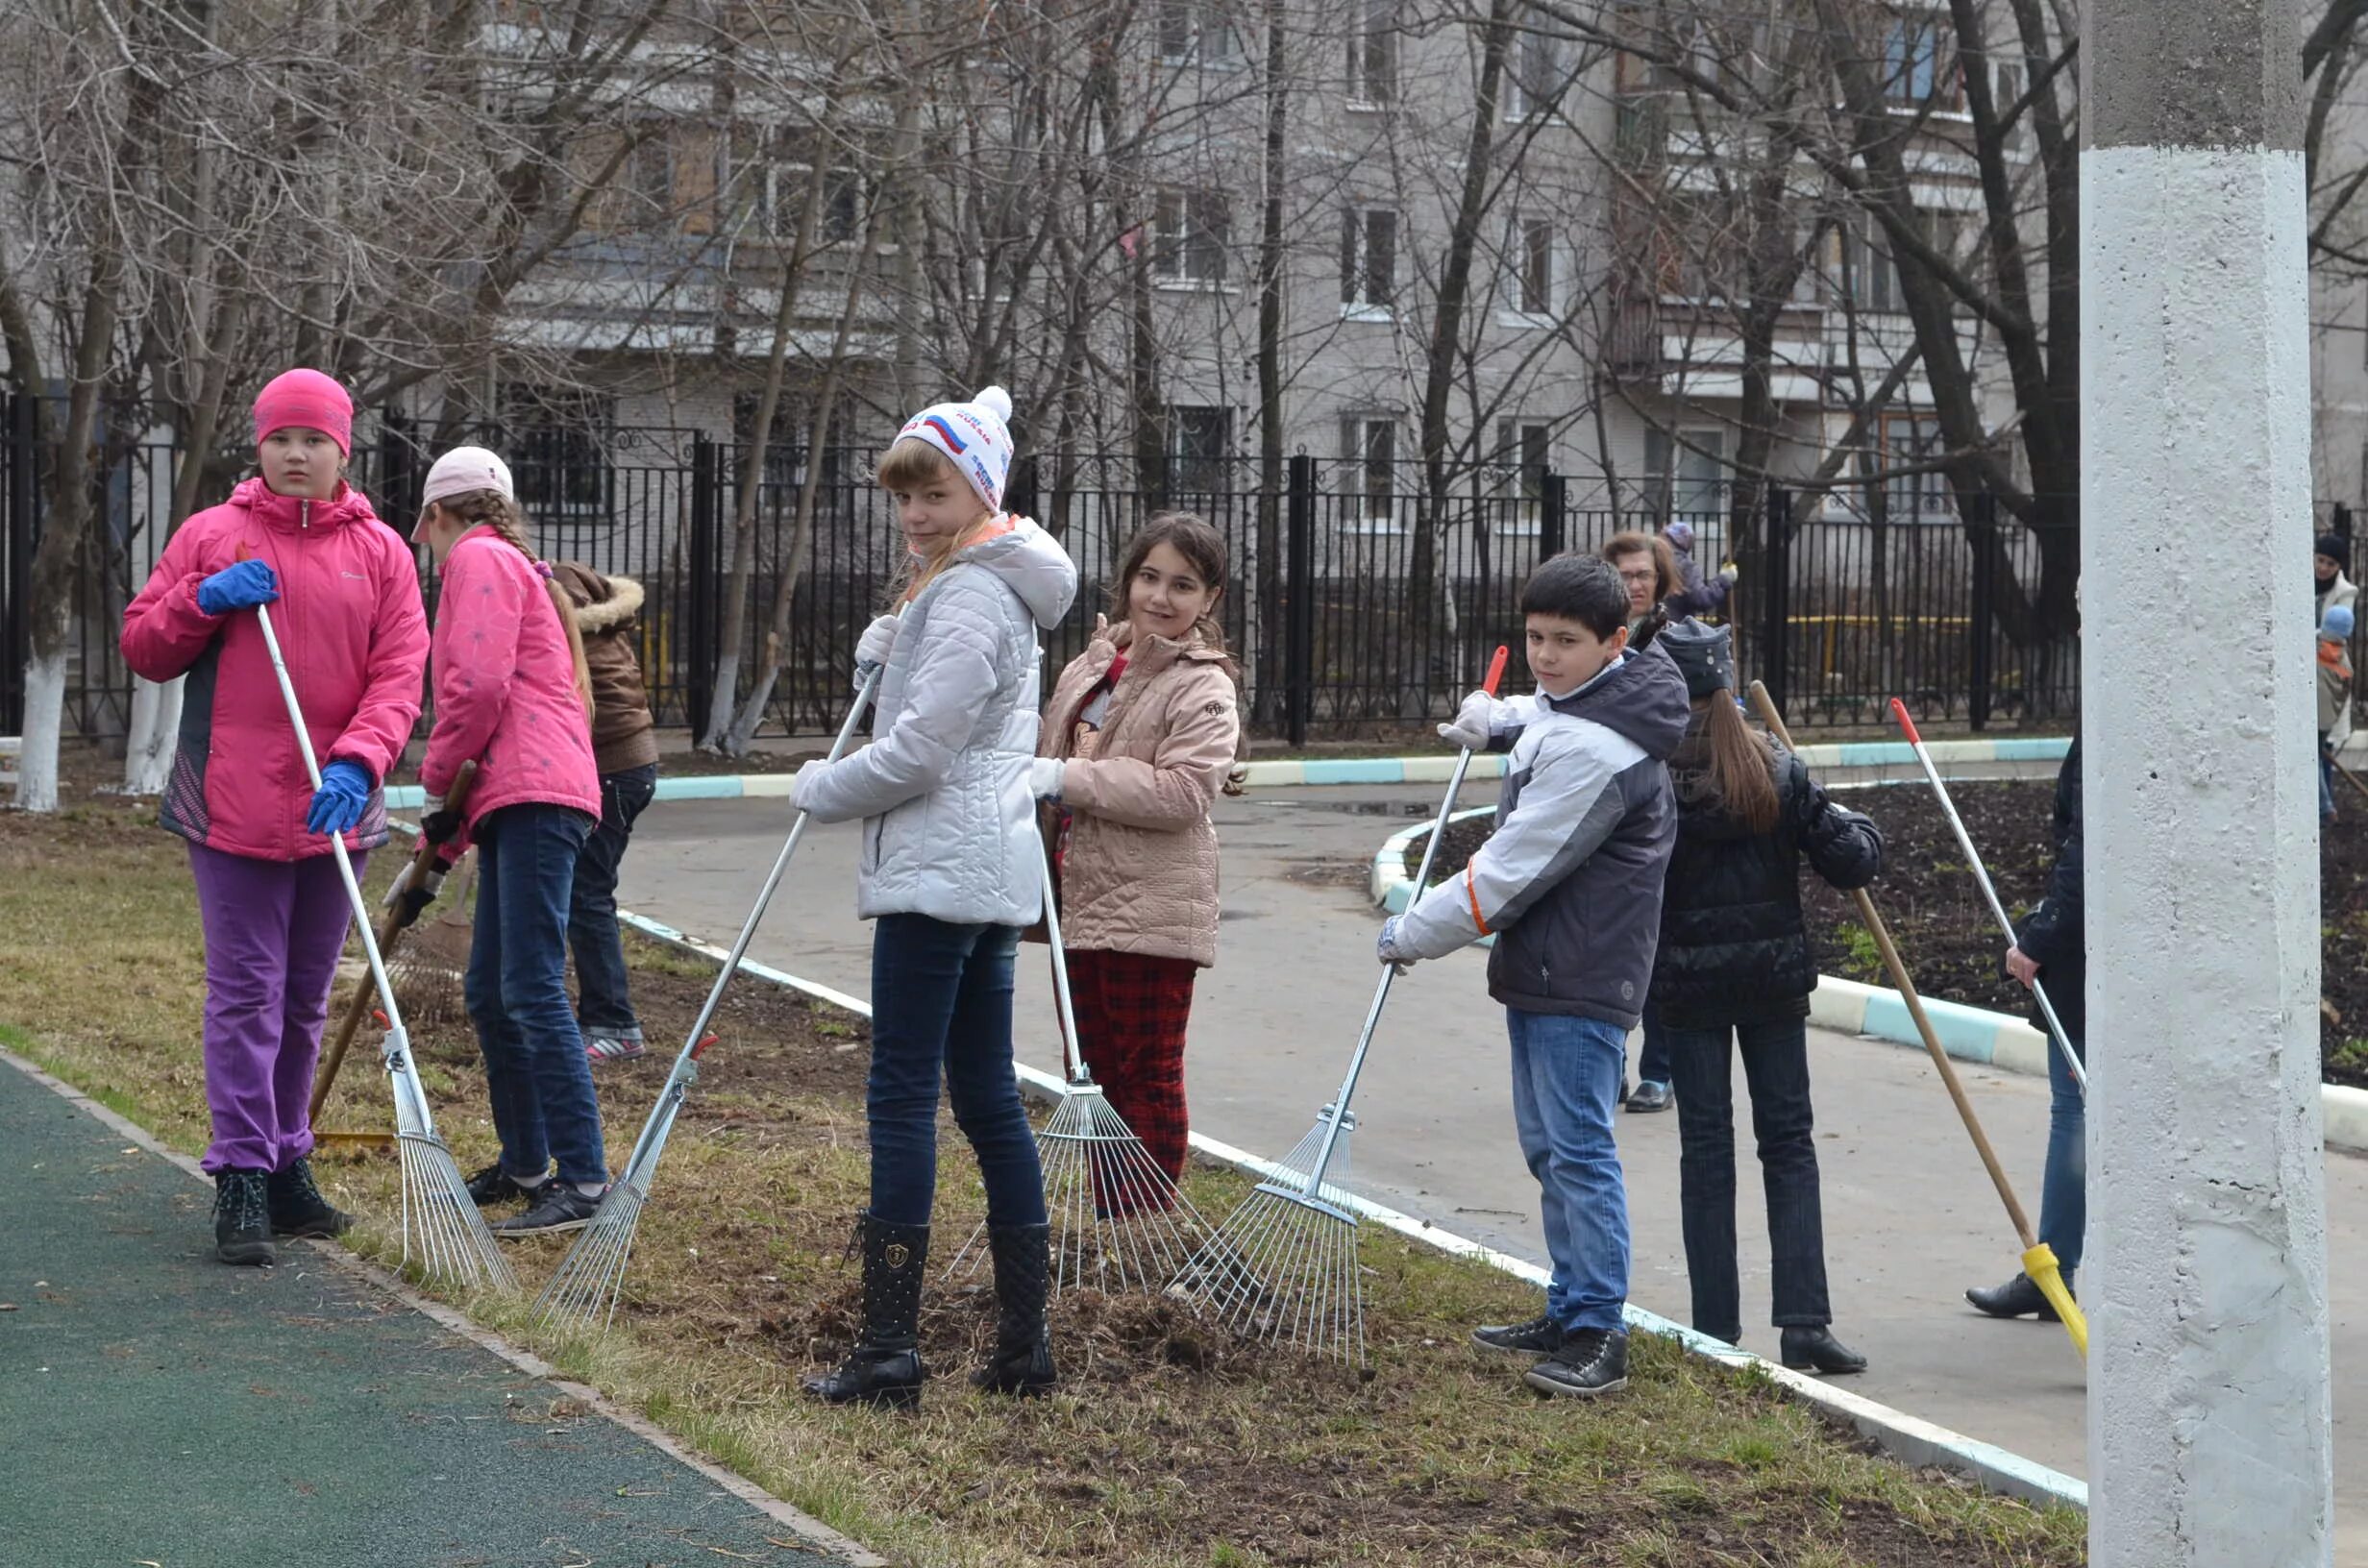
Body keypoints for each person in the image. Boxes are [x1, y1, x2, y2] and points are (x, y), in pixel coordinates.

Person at [791, 386, 1078, 1409]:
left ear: (981, 487)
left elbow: (919, 751)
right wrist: (886, 648)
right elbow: (934, 709)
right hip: (984, 874)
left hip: (940, 876)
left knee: (904, 1097)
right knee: (986, 1096)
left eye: (935, 491)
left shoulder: (970, 594)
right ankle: (1021, 1342)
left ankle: (889, 1349)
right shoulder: (975, 584)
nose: (914, 513)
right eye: (904, 495)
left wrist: (822, 788)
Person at [119, 369, 429, 1265]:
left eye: (315, 440)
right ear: (259, 446)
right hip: (232, 801)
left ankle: (290, 1161)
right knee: (246, 995)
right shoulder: (213, 535)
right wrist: (200, 600)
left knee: (303, 999)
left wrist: (360, 759)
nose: (297, 454)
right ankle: (242, 1174)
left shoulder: (382, 554)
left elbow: (400, 674)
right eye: (281, 439)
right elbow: (143, 646)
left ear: (344, 449)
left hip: (338, 805)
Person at [1376, 553, 1690, 1398]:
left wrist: (1414, 931)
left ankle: (1598, 1330)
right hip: (1548, 966)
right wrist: (1496, 717)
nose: (1546, 656)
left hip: (1584, 973)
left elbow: (1508, 872)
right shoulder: (1582, 702)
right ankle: (1569, 1300)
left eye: (1566, 642)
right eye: (1534, 638)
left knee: (1580, 1151)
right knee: (1549, 1146)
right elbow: (1547, 712)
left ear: (1615, 642)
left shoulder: (1601, 750)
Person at [1648, 620, 1883, 1374]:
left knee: (1706, 1153)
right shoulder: (1778, 770)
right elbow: (1852, 863)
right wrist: (1855, 821)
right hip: (1774, 985)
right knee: (1789, 1147)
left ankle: (1716, 1328)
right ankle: (1806, 1324)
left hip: (1686, 989)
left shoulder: (1646, 775)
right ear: (1727, 682)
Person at [409, 446, 609, 1238]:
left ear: (435, 517)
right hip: (516, 796)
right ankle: (526, 1163)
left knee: (527, 987)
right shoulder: (511, 562)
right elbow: (490, 728)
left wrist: (433, 784)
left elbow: (479, 688)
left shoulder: (478, 560)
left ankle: (585, 1179)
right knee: (491, 991)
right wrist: (444, 842)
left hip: (535, 795)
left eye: (423, 528)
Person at [1032, 513, 1244, 1193]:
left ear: (1209, 600)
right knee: (1088, 1067)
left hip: (1151, 906)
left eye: (1183, 585)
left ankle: (1142, 1229)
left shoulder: (1203, 683)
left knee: (1143, 1072)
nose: (1160, 596)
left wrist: (1068, 780)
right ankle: (1109, 1220)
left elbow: (1184, 792)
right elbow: (1044, 753)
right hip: (1078, 897)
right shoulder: (1091, 665)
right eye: (1149, 577)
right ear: (1126, 581)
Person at [1966, 734, 2085, 1321]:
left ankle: (2056, 1269)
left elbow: (2086, 853)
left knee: (2077, 1118)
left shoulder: (2111, 719)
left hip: (2093, 962)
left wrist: (2040, 938)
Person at [550, 562, 661, 1063]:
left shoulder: (576, 640)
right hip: (633, 767)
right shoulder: (608, 630)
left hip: (612, 769)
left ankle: (614, 1024)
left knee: (586, 894)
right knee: (586, 892)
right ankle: (605, 1017)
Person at [1599, 531, 1682, 1112]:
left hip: (1664, 806)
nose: (1633, 585)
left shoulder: (1678, 641)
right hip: (1606, 807)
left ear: (1660, 582)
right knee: (1610, 944)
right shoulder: (1591, 640)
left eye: (1642, 576)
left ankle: (1659, 1069)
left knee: (1659, 945)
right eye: (1623, 575)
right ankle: (1610, 1066)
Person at [1661, 521, 1739, 619]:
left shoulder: (1651, 559)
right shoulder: (1685, 566)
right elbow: (1702, 599)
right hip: (1675, 627)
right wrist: (1722, 580)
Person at [2322, 604, 2355, 825]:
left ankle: (2325, 808)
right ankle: (2327, 802)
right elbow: (2343, 693)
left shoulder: (2315, 648)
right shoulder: (2344, 662)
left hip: (2311, 719)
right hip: (2327, 722)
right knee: (2322, 760)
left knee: (2312, 761)